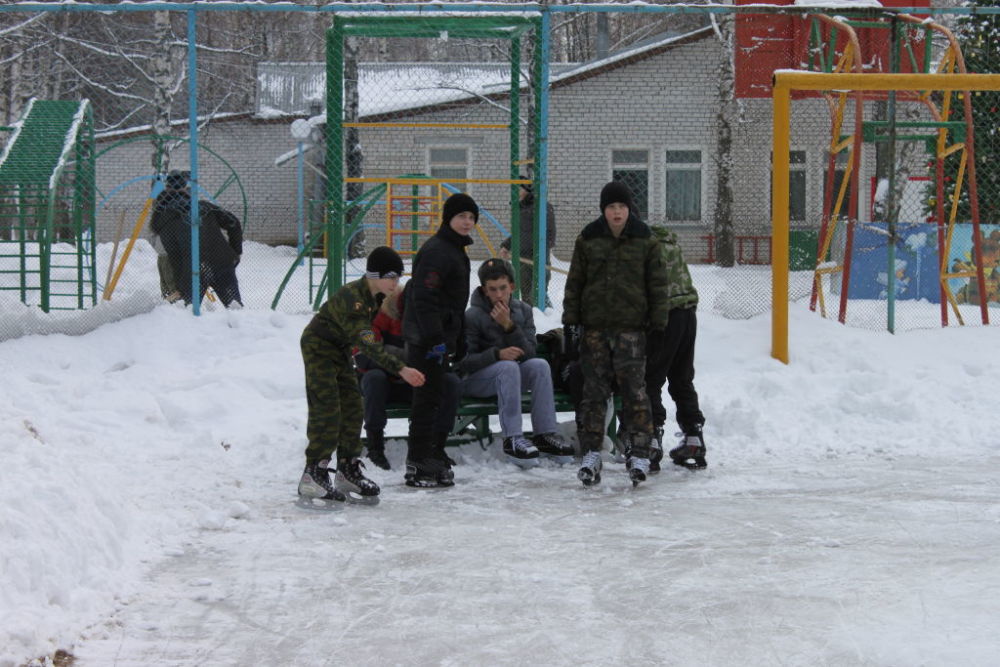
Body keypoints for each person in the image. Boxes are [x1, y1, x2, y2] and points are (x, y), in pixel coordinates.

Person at [298, 246, 425, 507]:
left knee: (354, 407)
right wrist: (402, 368)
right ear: (375, 275)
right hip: (318, 347)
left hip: (340, 349)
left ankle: (347, 469)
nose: (395, 283)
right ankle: (314, 472)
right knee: (327, 407)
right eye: (391, 277)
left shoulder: (375, 298)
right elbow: (369, 345)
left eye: (398, 277)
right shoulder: (354, 298)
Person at [562, 180, 669, 487]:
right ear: (603, 210)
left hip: (631, 331)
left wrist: (658, 325)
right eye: (611, 207)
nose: (617, 212)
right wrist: (571, 322)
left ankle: (639, 452)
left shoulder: (645, 240)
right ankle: (591, 453)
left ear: (629, 209)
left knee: (636, 393)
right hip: (596, 330)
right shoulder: (588, 238)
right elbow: (575, 283)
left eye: (622, 206)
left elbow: (658, 285)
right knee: (594, 394)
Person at [457, 258, 574, 466]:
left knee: (539, 366)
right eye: (492, 289)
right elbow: (464, 362)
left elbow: (529, 353)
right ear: (484, 290)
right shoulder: (472, 316)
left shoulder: (524, 311)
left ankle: (545, 435)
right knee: (508, 367)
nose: (498, 295)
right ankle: (512, 438)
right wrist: (496, 355)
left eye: (503, 288)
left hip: (509, 378)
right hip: (476, 381)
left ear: (512, 286)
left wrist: (509, 326)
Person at [402, 192, 477, 488]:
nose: (467, 222)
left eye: (471, 217)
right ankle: (418, 460)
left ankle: (429, 453)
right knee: (426, 399)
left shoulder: (454, 249)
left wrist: (458, 337)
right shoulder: (438, 251)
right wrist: (435, 338)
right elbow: (424, 297)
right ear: (448, 218)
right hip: (426, 340)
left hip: (441, 337)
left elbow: (454, 304)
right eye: (461, 216)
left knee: (436, 396)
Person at [354, 281, 462, 471]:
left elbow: (445, 357)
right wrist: (407, 361)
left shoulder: (433, 320)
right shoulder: (381, 316)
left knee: (450, 382)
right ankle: (375, 447)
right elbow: (364, 356)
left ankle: (437, 447)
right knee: (374, 378)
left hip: (420, 384)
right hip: (388, 384)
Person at [150, 169, 244, 307]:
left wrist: (181, 285)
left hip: (193, 270)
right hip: (221, 263)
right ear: (185, 188)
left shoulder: (163, 221)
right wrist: (236, 251)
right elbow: (233, 222)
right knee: (234, 306)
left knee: (189, 312)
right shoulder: (204, 207)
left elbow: (175, 256)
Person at [499, 176, 556, 308]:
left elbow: (550, 233)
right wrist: (506, 246)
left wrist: (542, 250)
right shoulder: (519, 208)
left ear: (526, 189)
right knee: (525, 293)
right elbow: (518, 233)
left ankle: (546, 316)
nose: (514, 191)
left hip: (538, 256)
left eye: (518, 187)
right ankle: (528, 315)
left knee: (537, 293)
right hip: (521, 258)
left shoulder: (542, 206)